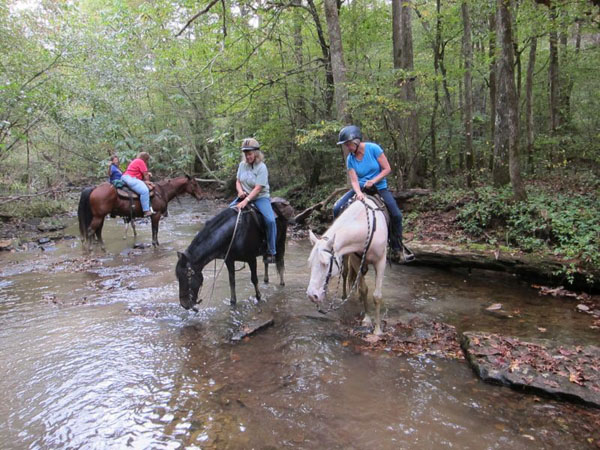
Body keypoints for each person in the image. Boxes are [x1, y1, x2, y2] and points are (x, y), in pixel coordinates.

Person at [333, 125, 413, 261]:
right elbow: (353, 180)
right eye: (345, 145)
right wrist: (358, 192)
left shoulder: (373, 149)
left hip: (379, 187)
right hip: (361, 188)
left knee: (396, 215)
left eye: (348, 144)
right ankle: (337, 242)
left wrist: (374, 180)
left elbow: (387, 169)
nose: (347, 147)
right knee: (337, 207)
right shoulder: (350, 159)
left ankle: (397, 248)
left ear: (356, 141)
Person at [230, 138, 277, 264]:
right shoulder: (242, 165)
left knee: (270, 220)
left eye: (250, 153)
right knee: (227, 214)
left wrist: (246, 201)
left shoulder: (262, 167)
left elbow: (258, 188)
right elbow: (238, 181)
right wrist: (240, 192)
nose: (247, 156)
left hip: (260, 197)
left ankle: (271, 251)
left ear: (256, 153)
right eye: (246, 153)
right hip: (243, 196)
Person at [121, 151, 155, 217]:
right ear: (145, 158)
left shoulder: (136, 161)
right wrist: (148, 182)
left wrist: (147, 177)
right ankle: (146, 211)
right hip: (131, 178)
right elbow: (145, 175)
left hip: (127, 177)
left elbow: (139, 174)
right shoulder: (141, 161)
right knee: (144, 191)